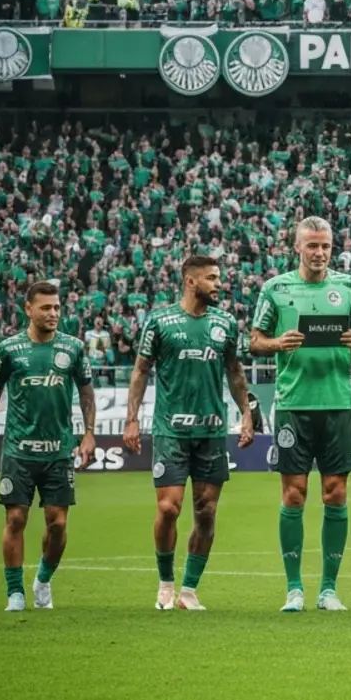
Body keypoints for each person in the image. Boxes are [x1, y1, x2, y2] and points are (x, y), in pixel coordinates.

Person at [123, 255, 254, 611]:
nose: (219, 284)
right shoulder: (160, 321)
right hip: (171, 431)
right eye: (212, 278)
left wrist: (246, 413)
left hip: (212, 432)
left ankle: (189, 591)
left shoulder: (225, 323)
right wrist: (131, 418)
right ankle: (165, 583)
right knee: (168, 508)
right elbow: (140, 371)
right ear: (191, 281)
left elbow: (235, 372)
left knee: (206, 511)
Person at [250, 216, 351, 612]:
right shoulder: (276, 288)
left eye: (326, 246)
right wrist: (277, 343)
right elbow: (253, 341)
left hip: (337, 405)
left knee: (335, 493)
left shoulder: (349, 287)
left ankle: (329, 590)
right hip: (294, 406)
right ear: (296, 247)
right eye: (312, 246)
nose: (319, 253)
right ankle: (295, 588)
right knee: (294, 494)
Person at [0, 280, 96, 611]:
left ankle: (42, 580)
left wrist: (89, 433)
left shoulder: (73, 347)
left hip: (58, 451)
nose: (53, 313)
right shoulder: (9, 349)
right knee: (15, 519)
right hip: (18, 450)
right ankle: (15, 592)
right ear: (28, 309)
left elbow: (86, 391)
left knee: (57, 524)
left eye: (57, 307)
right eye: (46, 307)